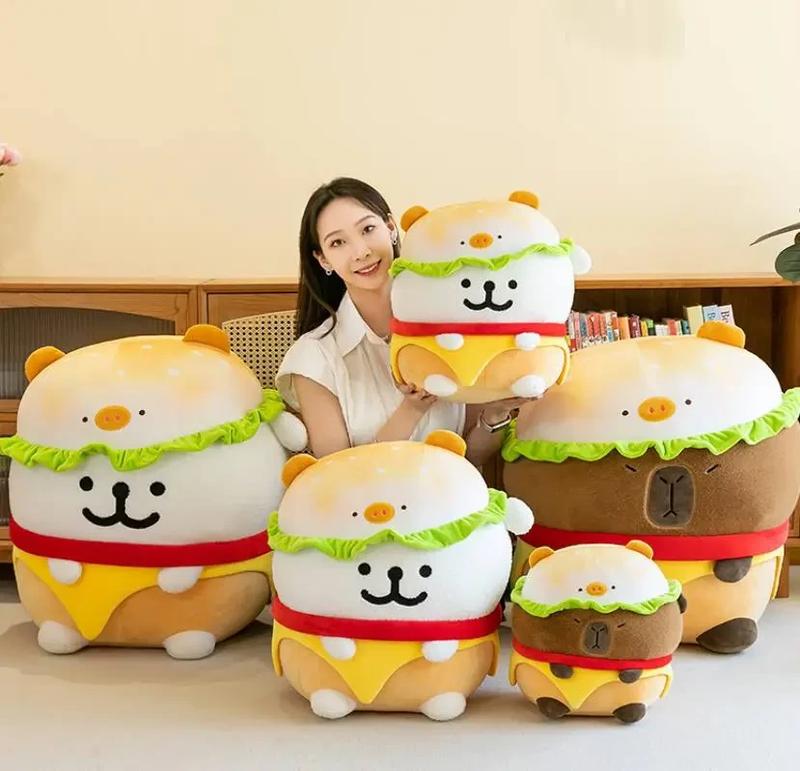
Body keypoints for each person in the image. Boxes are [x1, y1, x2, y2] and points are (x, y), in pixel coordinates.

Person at [276, 177, 529, 463]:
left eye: (368, 229)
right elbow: (337, 471)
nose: (361, 252)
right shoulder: (314, 356)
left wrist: (497, 411)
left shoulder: (453, 323)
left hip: (458, 490)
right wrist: (412, 409)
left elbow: (473, 456)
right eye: (338, 242)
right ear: (323, 259)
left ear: (390, 227)